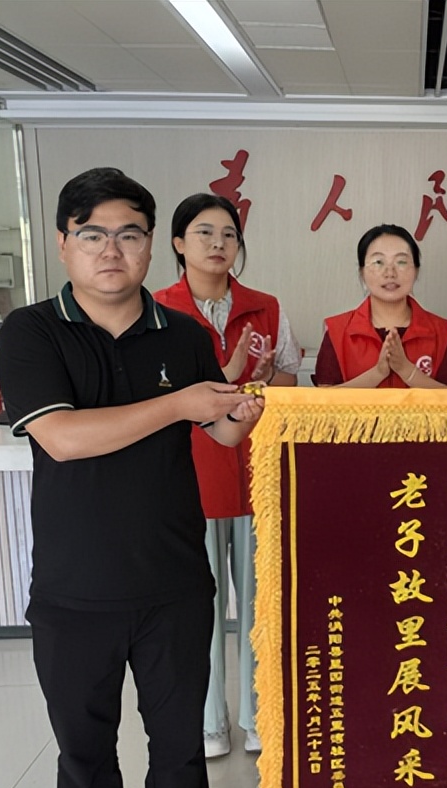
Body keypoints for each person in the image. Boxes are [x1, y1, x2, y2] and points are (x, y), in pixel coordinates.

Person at [0, 168, 263, 788]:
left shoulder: (184, 335)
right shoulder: (32, 331)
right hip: (74, 591)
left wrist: (242, 413)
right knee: (85, 758)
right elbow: (62, 438)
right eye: (93, 234)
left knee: (180, 755)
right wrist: (177, 404)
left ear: (152, 245)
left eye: (129, 234)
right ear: (63, 243)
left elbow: (221, 433)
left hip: (175, 584)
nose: (111, 250)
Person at [153, 193, 301, 758]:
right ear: (178, 243)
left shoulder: (266, 307)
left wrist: (260, 380)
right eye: (204, 233)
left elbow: (289, 382)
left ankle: (261, 716)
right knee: (201, 612)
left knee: (263, 607)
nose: (218, 244)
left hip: (259, 476)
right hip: (187, 479)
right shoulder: (157, 311)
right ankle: (210, 721)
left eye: (229, 235)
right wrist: (226, 377)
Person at [313, 224, 447, 388]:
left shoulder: (441, 331)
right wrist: (377, 373)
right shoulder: (337, 331)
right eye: (378, 262)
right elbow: (323, 399)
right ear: (362, 272)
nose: (390, 273)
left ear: (416, 271)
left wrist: (407, 371)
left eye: (401, 262)